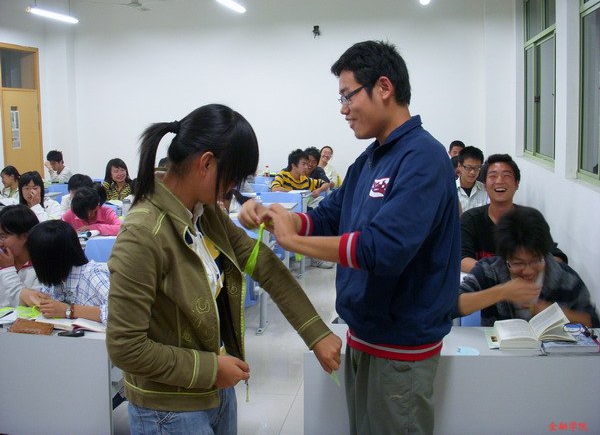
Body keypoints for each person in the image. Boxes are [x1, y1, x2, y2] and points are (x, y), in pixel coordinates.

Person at [240, 40, 460, 434]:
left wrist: (294, 242)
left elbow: (384, 249)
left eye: (348, 96)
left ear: (384, 87)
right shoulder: (370, 160)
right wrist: (279, 219)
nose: (343, 109)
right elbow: (328, 217)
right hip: (364, 336)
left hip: (401, 348)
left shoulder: (423, 157)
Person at [105, 104, 341, 434]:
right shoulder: (143, 234)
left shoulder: (205, 213)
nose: (233, 189)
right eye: (232, 179)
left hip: (216, 389)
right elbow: (125, 347)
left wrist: (315, 332)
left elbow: (265, 266)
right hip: (169, 409)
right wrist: (210, 369)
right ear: (206, 163)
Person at [458, 206, 599, 328]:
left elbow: (594, 323)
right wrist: (501, 292)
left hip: (552, 351)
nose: (528, 271)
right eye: (517, 263)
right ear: (504, 257)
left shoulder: (565, 277)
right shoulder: (489, 271)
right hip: (499, 351)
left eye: (536, 261)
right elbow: (452, 306)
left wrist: (554, 313)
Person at [460, 154, 567, 273]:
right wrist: (505, 273)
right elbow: (462, 260)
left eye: (506, 176)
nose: (499, 181)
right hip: (486, 283)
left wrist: (523, 271)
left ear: (516, 184)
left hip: (526, 281)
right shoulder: (470, 219)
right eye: (493, 176)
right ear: (484, 185)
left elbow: (556, 257)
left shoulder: (531, 219)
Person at [26, 220, 109, 323]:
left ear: (48, 260)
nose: (31, 262)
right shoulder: (56, 277)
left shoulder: (93, 275)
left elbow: (120, 312)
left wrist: (69, 310)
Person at [0, 205, 47, 307]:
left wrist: (7, 269)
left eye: (3, 236)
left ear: (25, 236)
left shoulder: (43, 266)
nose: (0, 243)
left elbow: (33, 305)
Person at [456, 145, 488, 213]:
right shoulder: (450, 189)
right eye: (468, 168)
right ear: (459, 166)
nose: (472, 172)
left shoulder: (485, 190)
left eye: (476, 168)